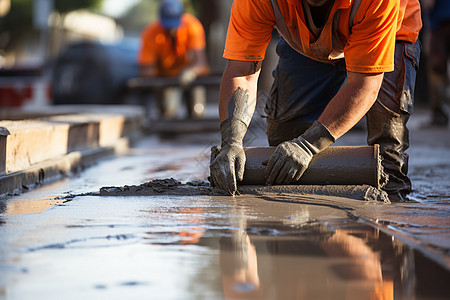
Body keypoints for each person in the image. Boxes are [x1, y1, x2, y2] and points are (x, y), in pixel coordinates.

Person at [209, 0, 422, 202]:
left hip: (388, 31)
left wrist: (307, 145)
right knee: (284, 146)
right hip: (308, 41)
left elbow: (365, 85)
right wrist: (231, 142)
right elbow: (243, 71)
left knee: (387, 148)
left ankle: (392, 194)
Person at [138, 0, 209, 119]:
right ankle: (168, 130)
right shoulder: (150, 33)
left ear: (182, 17)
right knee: (168, 114)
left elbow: (201, 62)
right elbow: (146, 68)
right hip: (166, 76)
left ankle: (194, 130)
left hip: (192, 76)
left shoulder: (192, 26)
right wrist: (157, 79)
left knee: (197, 113)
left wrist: (191, 72)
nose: (171, 29)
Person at [422, 0, 450, 126]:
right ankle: (440, 113)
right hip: (441, 17)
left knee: (436, 67)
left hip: (440, 19)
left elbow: (428, 3)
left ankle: (439, 114)